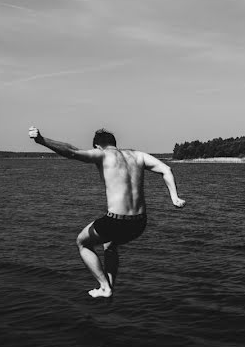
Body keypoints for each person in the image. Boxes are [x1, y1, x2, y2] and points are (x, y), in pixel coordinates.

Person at [28, 126, 186, 298]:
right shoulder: (138, 155)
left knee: (82, 242)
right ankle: (110, 285)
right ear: (114, 143)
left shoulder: (102, 154)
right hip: (140, 222)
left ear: (97, 146)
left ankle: (104, 287)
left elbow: (72, 151)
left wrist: (42, 141)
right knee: (109, 244)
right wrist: (174, 197)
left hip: (116, 221)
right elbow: (166, 170)